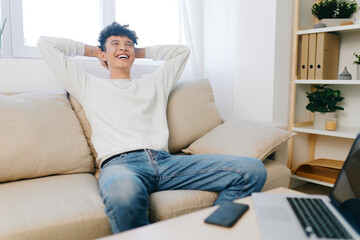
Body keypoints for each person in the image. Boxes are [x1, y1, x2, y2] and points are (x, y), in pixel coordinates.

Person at [37, 22, 267, 233]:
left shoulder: (154, 83)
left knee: (252, 169)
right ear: (103, 54)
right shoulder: (88, 86)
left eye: (128, 44)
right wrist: (95, 50)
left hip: (167, 163)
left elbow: (181, 51)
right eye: (115, 44)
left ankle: (211, 233)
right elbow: (46, 45)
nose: (123, 48)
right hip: (121, 165)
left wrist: (136, 50)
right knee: (124, 195)